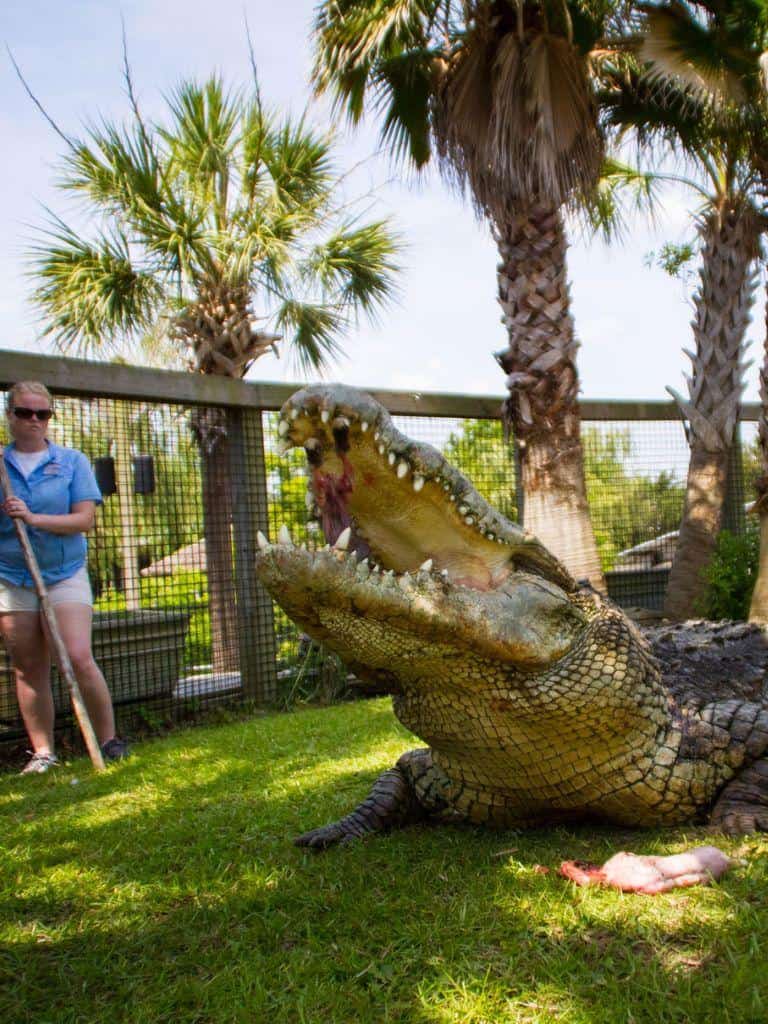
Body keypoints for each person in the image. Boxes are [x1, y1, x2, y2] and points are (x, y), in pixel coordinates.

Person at [0, 381, 129, 773]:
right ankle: (43, 753)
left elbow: (84, 519)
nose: (34, 420)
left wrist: (33, 518)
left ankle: (108, 741)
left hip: (64, 573)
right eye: (25, 412)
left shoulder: (72, 462)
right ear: (10, 416)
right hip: (9, 576)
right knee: (28, 666)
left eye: (43, 413)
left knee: (76, 655)